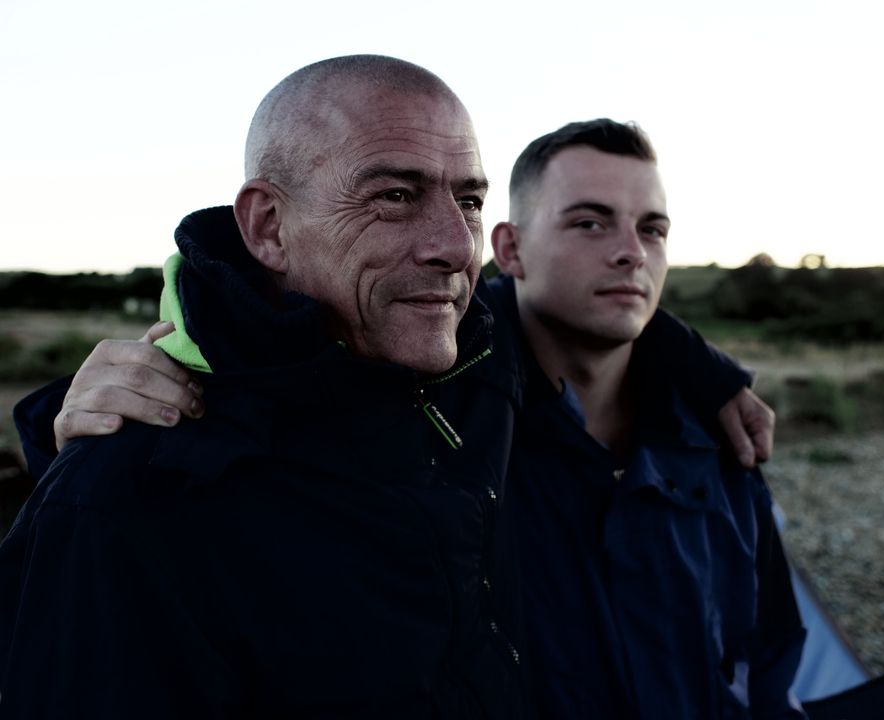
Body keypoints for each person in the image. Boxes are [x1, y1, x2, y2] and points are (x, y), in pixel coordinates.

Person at [6, 63, 776, 718]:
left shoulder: (472, 368)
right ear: (269, 226)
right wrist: (65, 435)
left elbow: (579, 311)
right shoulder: (129, 495)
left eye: (468, 201)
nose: (451, 246)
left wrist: (707, 373)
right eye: (395, 195)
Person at [487, 119, 806, 718]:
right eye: (590, 222)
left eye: (651, 229)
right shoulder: (453, 436)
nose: (631, 250)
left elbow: (768, 661)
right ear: (511, 249)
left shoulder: (717, 438)